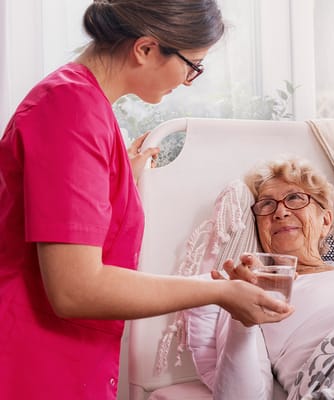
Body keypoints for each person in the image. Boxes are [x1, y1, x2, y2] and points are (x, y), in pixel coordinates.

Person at [0, 2, 293, 400]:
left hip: (66, 359)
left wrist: (123, 181)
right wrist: (218, 291)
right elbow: (75, 288)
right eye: (194, 65)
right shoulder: (69, 110)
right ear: (146, 49)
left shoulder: (86, 108)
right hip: (33, 362)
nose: (190, 80)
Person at [202, 157, 334, 399]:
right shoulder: (251, 291)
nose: (281, 212)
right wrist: (242, 321)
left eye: (295, 198)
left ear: (325, 221)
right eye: (266, 205)